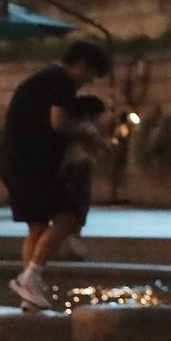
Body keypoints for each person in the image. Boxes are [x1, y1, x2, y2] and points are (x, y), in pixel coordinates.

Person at [0, 39, 112, 311]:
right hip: (34, 164)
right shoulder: (61, 81)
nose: (88, 82)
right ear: (82, 65)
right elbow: (59, 122)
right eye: (91, 75)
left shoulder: (43, 78)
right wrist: (89, 134)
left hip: (16, 162)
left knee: (37, 226)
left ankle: (30, 293)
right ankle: (31, 277)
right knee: (67, 216)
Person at [57, 95, 109, 262]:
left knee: (71, 206)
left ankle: (71, 241)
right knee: (80, 205)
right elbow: (97, 147)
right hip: (80, 170)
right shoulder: (87, 129)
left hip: (67, 170)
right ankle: (75, 239)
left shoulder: (72, 129)